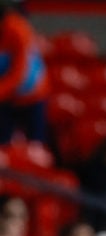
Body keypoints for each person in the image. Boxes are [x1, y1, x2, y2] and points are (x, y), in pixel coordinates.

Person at [0, 0, 48, 144]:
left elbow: (20, 73)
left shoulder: (17, 29)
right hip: (6, 98)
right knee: (4, 143)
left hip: (31, 95)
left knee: (36, 143)